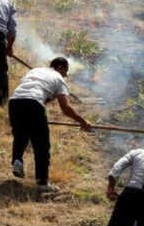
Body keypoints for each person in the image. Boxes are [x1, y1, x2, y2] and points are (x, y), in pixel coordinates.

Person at [8, 57, 91, 194]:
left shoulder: (35, 70)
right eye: (65, 71)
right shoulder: (59, 79)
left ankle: (17, 161)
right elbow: (66, 108)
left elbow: (32, 90)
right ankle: (42, 182)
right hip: (34, 104)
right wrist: (83, 121)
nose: (65, 74)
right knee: (41, 145)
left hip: (15, 102)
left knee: (20, 135)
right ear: (60, 67)